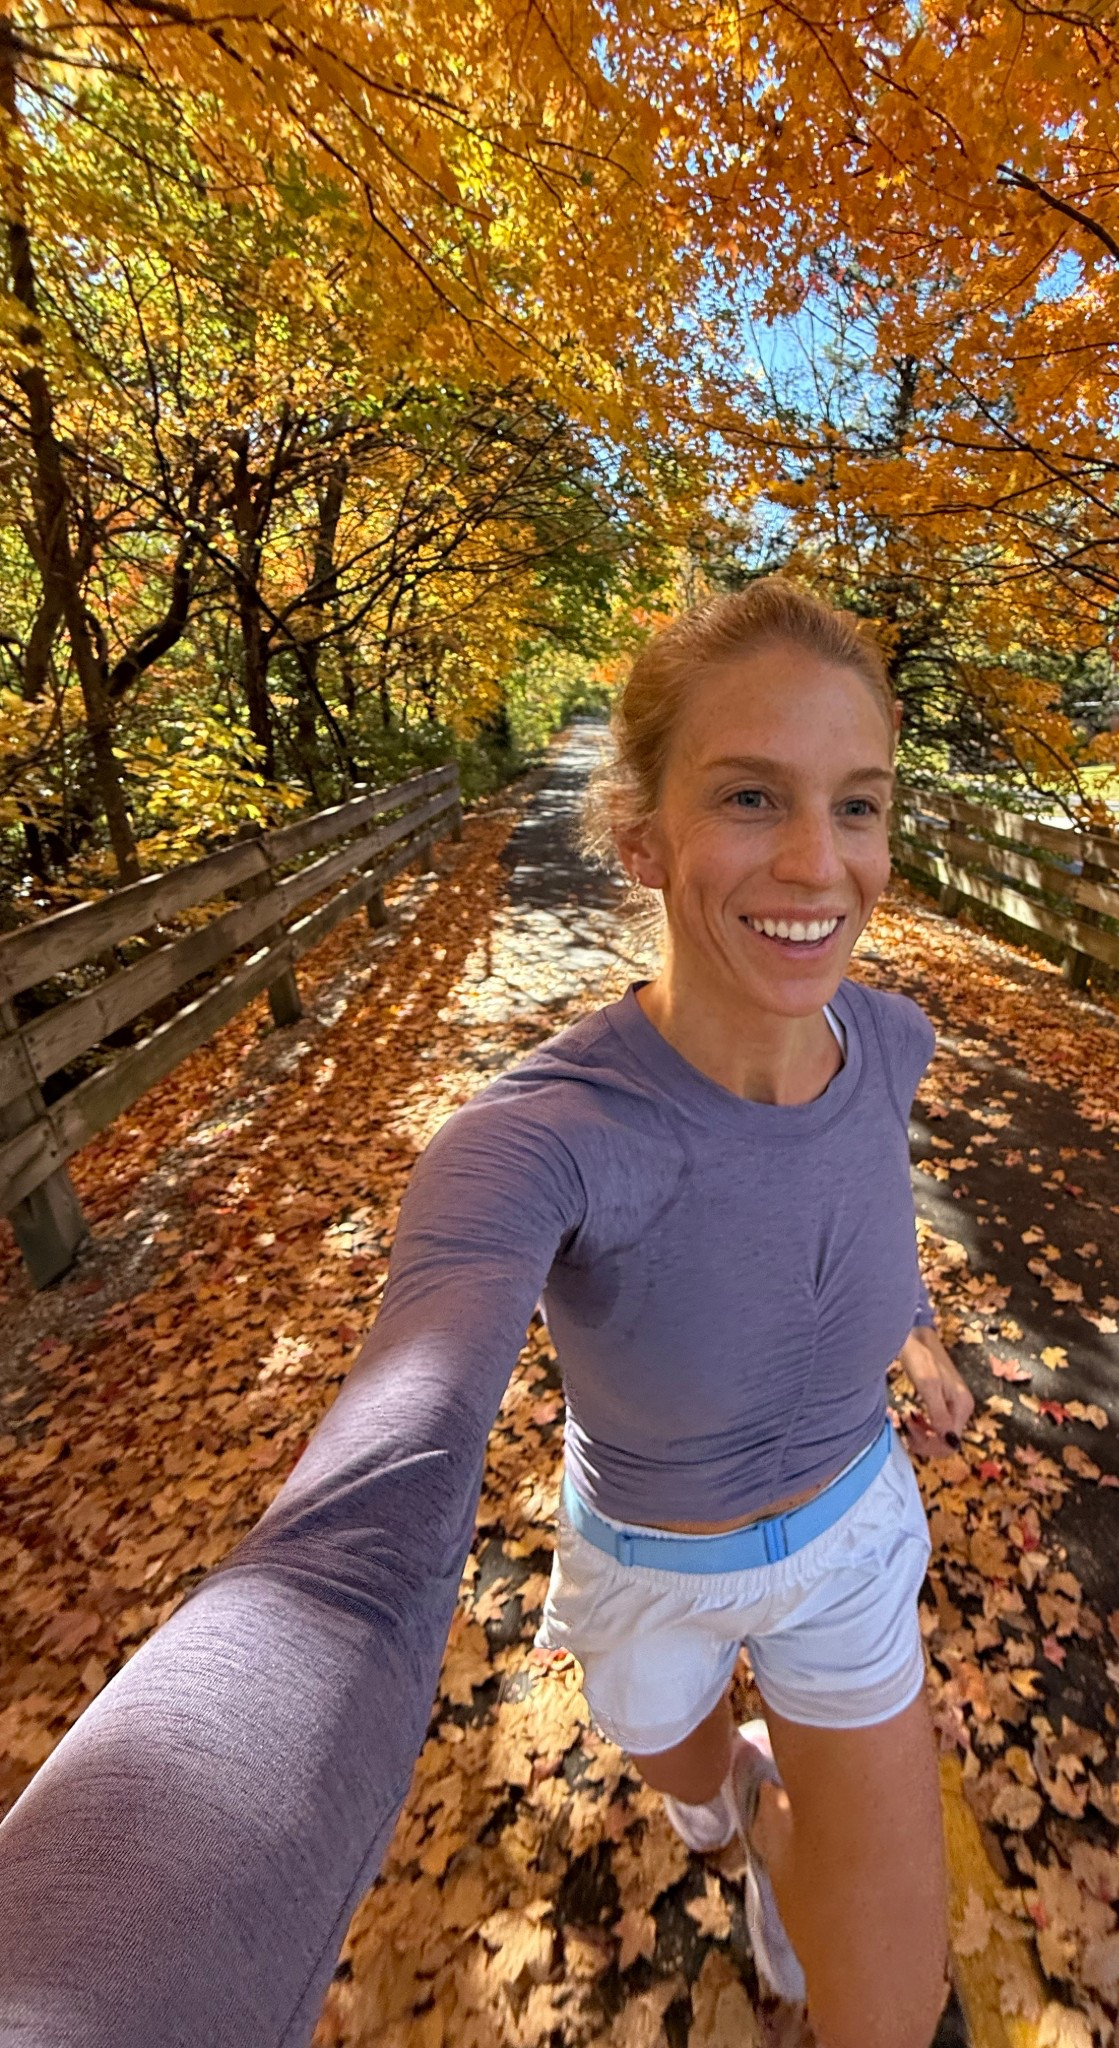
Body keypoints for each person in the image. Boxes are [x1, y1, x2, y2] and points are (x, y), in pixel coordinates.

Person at [0, 577, 975, 2048]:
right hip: (651, 1562)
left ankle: (781, 1839)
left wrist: (908, 1325)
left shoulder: (891, 1040)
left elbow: (845, 1203)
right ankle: (747, 1820)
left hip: (852, 1541)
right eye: (752, 797)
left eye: (860, 805)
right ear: (641, 835)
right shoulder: (535, 1138)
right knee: (692, 1784)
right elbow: (361, 1520)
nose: (819, 861)